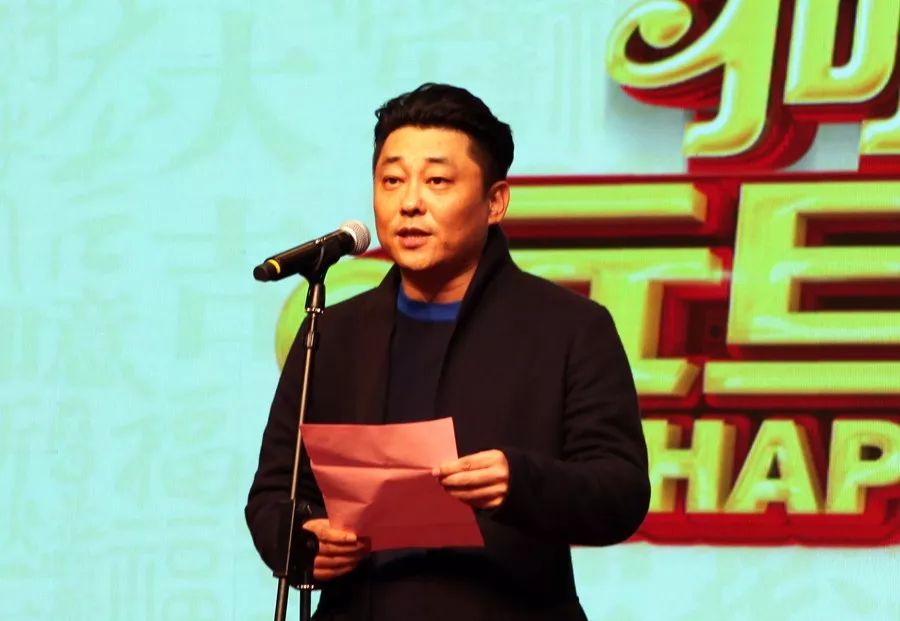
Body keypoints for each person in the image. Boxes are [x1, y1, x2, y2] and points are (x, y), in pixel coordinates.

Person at [246, 83, 650, 620]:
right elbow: (275, 492)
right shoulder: (333, 332)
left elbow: (621, 493)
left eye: (437, 181)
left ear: (495, 201)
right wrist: (303, 539)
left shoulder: (569, 328)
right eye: (392, 180)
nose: (410, 202)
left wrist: (520, 481)